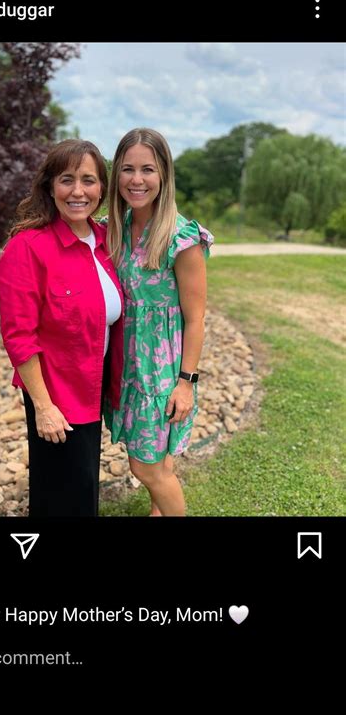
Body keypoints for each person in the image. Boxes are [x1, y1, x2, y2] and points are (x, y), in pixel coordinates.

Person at [0, 140, 123, 517]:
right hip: (55, 393)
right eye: (67, 179)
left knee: (84, 485)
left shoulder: (106, 240)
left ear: (102, 188)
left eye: (89, 180)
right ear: (50, 187)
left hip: (94, 384)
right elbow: (19, 337)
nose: (78, 191)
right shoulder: (27, 247)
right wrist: (44, 406)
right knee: (59, 494)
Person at [104, 128, 214, 517]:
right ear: (116, 174)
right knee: (161, 461)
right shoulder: (115, 228)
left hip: (161, 372)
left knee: (146, 468)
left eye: (147, 169)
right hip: (126, 362)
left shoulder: (181, 239)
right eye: (128, 169)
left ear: (164, 174)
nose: (137, 180)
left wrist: (186, 383)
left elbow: (195, 319)